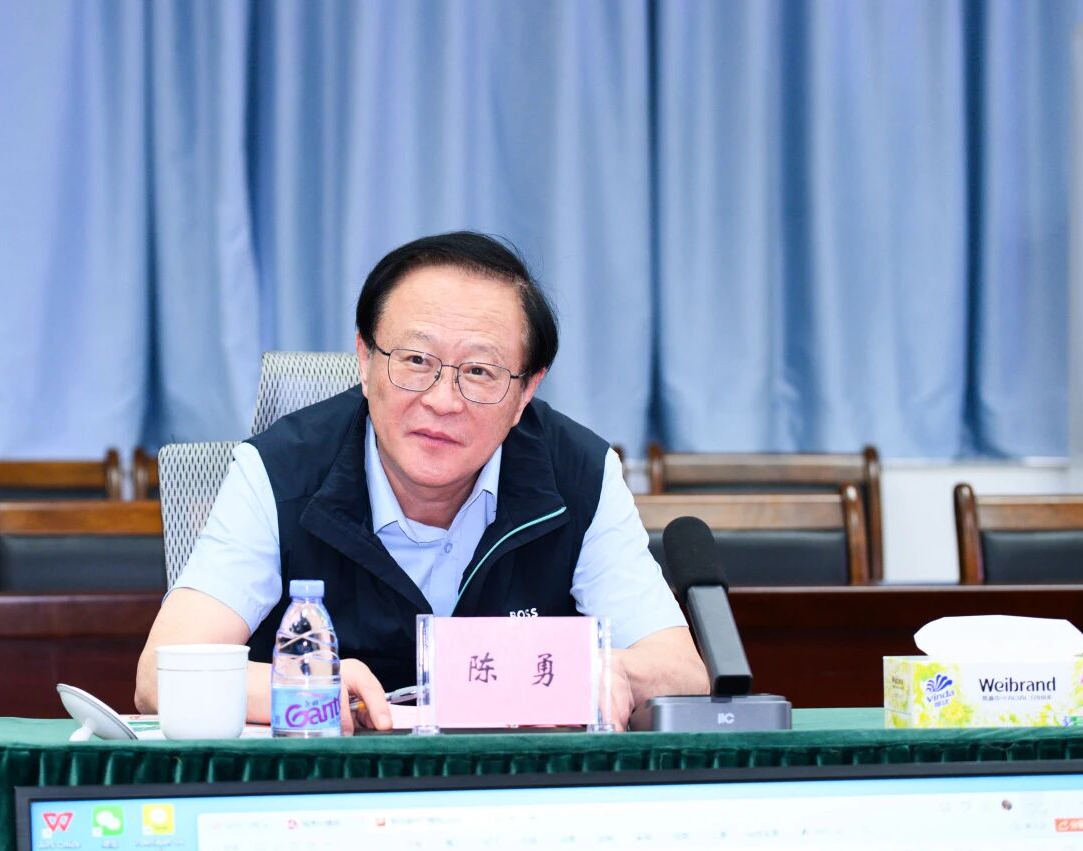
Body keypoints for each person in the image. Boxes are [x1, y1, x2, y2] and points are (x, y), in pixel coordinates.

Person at [135, 231, 708, 731]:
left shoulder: (578, 473)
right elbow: (161, 675)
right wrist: (308, 685)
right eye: (415, 361)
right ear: (365, 359)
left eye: (479, 371)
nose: (442, 400)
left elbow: (683, 673)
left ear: (526, 391)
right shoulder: (278, 470)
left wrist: (612, 671)